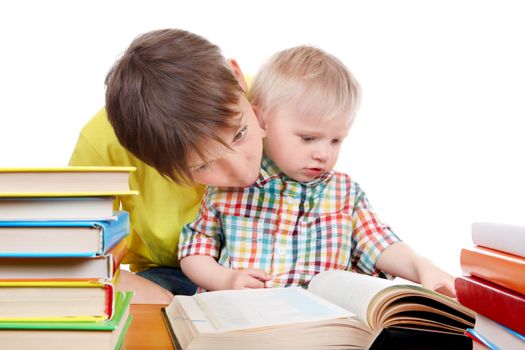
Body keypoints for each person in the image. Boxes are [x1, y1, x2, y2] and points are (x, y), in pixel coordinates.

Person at [178, 46, 456, 296]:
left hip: (321, 328)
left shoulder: (345, 193)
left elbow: (379, 243)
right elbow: (194, 250)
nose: (324, 154)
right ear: (262, 119)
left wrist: (422, 266)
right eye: (308, 138)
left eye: (336, 140)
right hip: (246, 321)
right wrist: (225, 279)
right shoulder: (227, 190)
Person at [69, 28, 266, 303]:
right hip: (170, 274)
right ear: (149, 162)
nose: (244, 173)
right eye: (202, 166)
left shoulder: (276, 100)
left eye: (241, 133)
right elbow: (79, 255)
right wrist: (161, 299)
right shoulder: (102, 143)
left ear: (238, 77)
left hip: (269, 263)